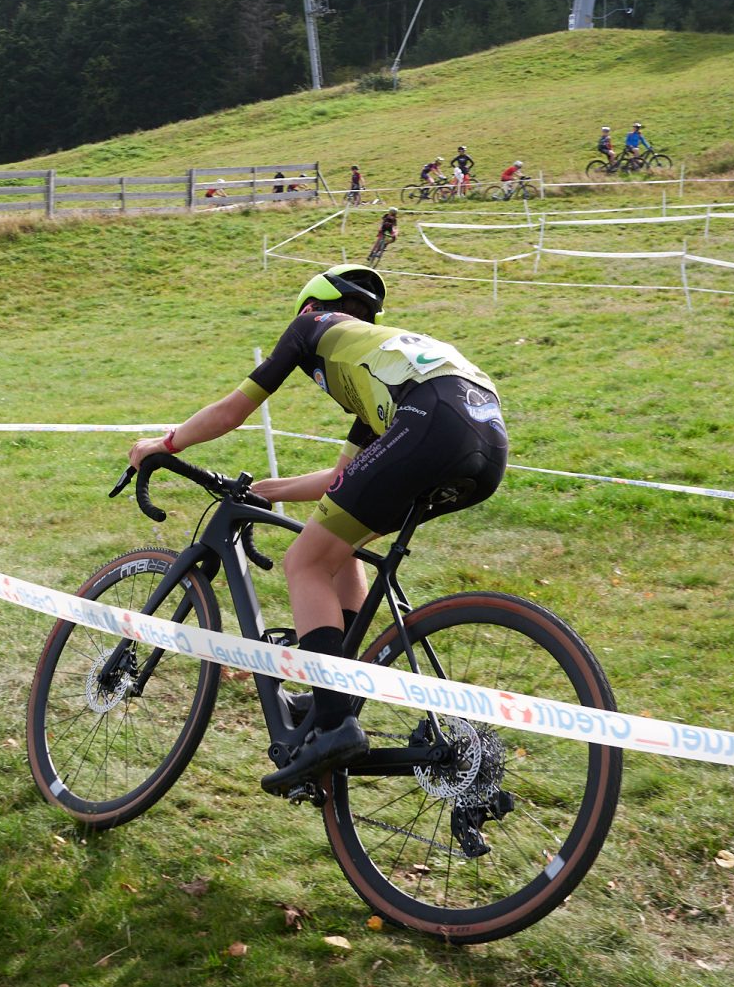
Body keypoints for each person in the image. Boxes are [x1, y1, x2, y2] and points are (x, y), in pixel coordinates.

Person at [127, 264, 508, 794]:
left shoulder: (310, 326)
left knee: (305, 561)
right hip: (483, 438)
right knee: (339, 546)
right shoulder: (377, 367)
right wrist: (267, 489)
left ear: (313, 307)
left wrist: (164, 444)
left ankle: (333, 724)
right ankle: (336, 690)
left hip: (432, 420)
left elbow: (234, 411)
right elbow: (340, 479)